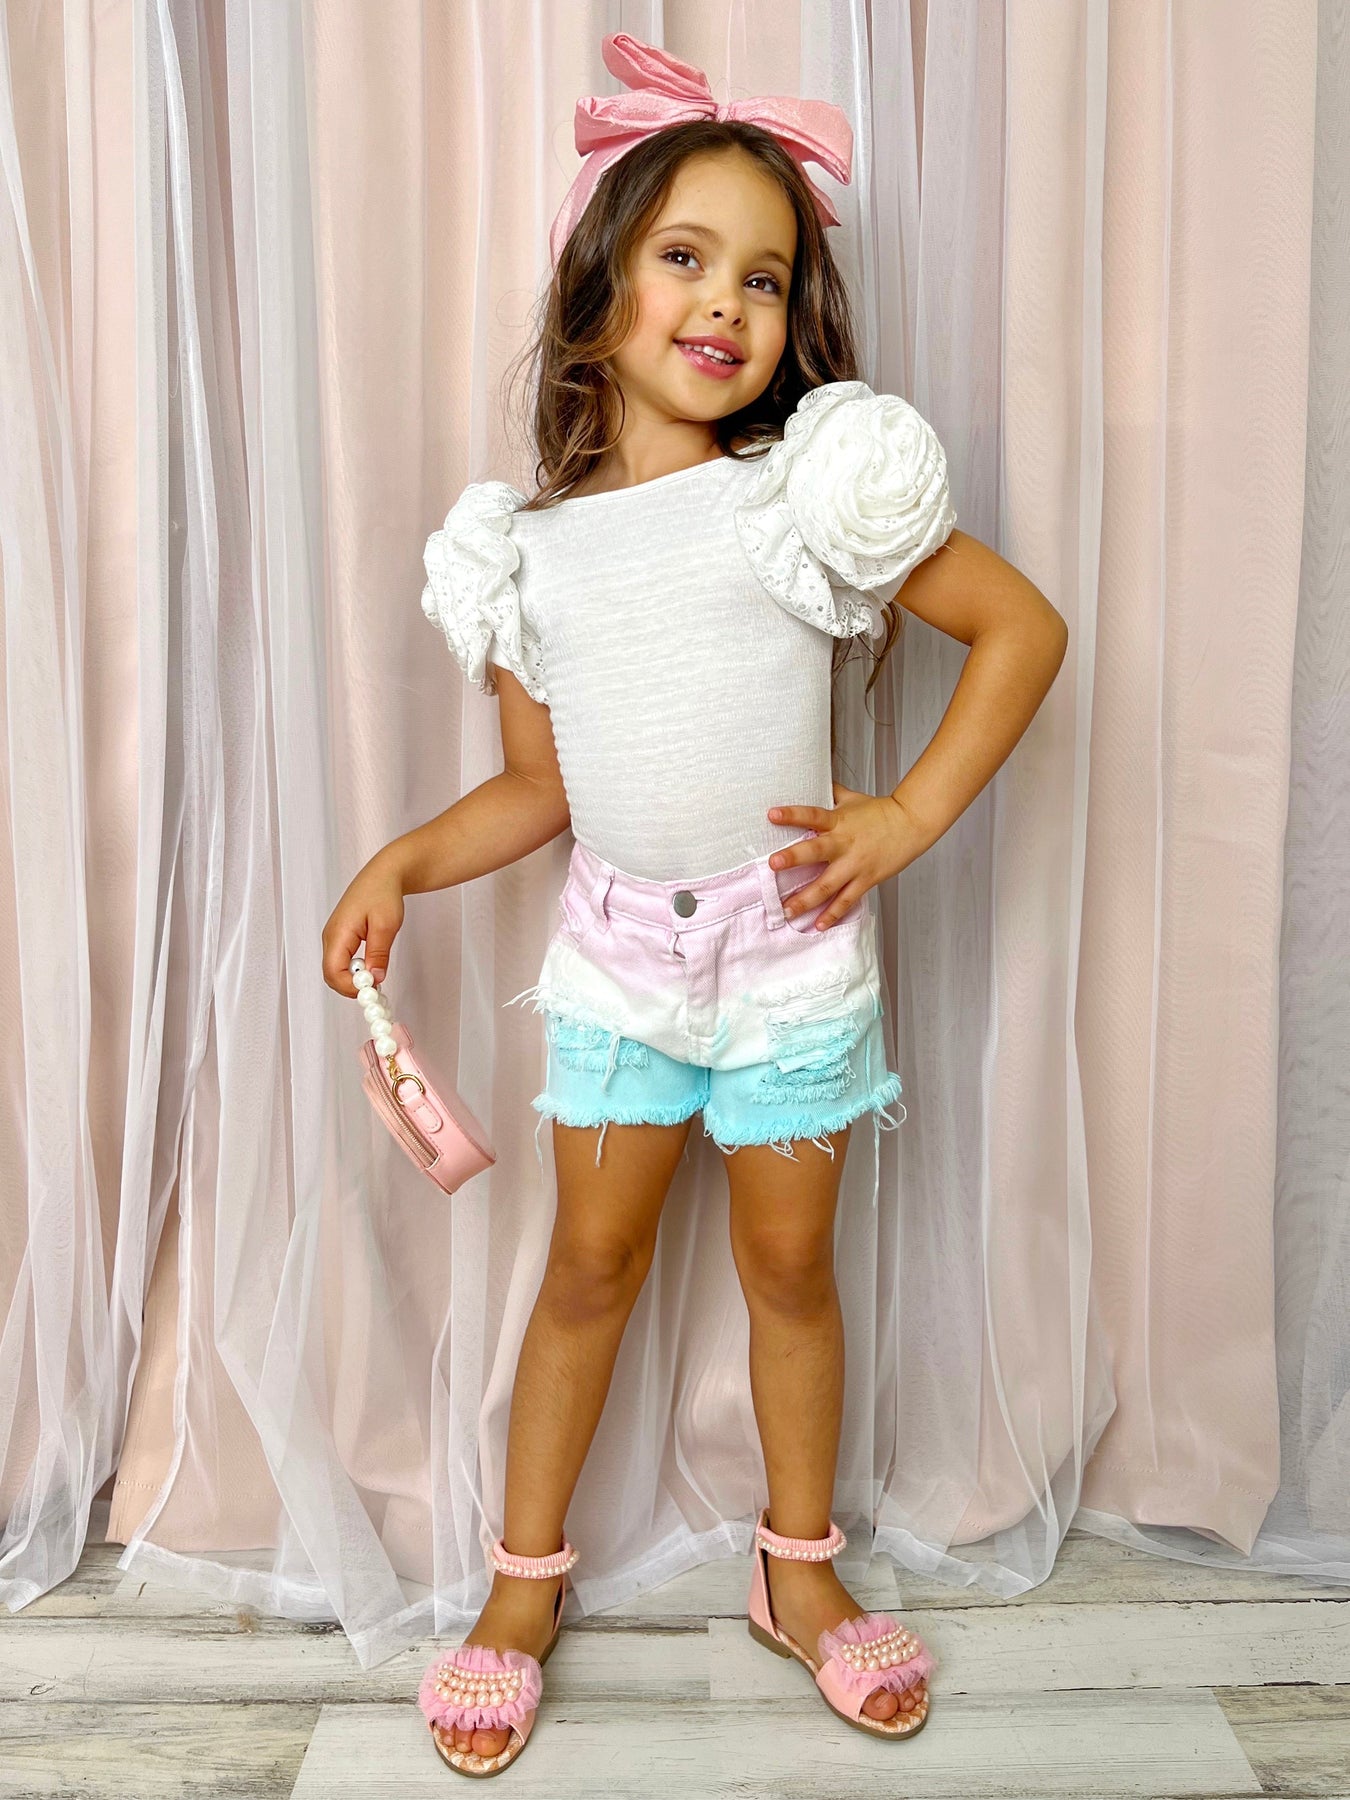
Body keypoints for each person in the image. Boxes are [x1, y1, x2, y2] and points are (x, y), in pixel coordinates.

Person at [322, 31, 1067, 1781]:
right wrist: (401, 860)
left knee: (789, 1268)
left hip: (787, 952)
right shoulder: (524, 551)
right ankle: (521, 1586)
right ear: (597, 287)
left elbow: (1020, 630)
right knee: (588, 1264)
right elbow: (543, 789)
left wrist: (906, 814)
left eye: (765, 274)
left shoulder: (801, 495)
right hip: (619, 961)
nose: (726, 300)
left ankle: (796, 1570)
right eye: (683, 255)